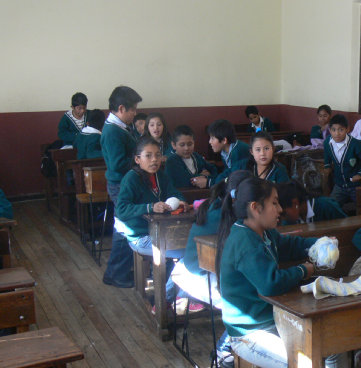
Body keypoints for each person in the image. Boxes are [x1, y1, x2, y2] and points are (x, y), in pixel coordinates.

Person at [217, 177, 347, 368]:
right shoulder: (244, 242)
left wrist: (319, 242)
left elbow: (289, 245)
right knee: (304, 363)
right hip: (250, 333)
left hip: (274, 320)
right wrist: (304, 270)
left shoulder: (264, 231)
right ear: (256, 207)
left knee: (333, 346)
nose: (280, 209)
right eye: (274, 203)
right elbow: (271, 284)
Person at [167, 170, 253, 365]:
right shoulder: (221, 212)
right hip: (198, 272)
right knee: (243, 302)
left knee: (251, 294)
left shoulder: (225, 205)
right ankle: (224, 350)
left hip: (212, 268)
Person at [116, 137, 188, 292]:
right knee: (190, 253)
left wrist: (179, 201)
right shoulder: (131, 178)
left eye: (157, 155)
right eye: (148, 156)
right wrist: (150, 207)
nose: (154, 160)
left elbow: (175, 193)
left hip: (162, 232)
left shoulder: (161, 176)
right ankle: (171, 295)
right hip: (141, 236)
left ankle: (176, 293)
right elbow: (121, 210)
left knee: (192, 246)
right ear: (137, 159)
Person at [101, 85, 142, 288]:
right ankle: (116, 273)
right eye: (132, 109)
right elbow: (117, 164)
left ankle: (119, 270)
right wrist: (139, 160)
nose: (135, 113)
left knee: (125, 227)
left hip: (125, 183)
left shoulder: (120, 127)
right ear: (121, 108)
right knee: (125, 227)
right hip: (120, 184)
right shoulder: (112, 131)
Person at [323, 114, 361, 207]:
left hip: (356, 186)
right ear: (329, 130)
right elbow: (327, 155)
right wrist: (327, 166)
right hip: (339, 186)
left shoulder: (357, 145)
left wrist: (360, 174)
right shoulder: (328, 143)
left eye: (341, 129)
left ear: (347, 129)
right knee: (329, 206)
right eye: (333, 130)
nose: (337, 133)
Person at [276, 180, 346, 225]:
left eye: (283, 213)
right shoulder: (288, 221)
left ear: (295, 203)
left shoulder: (326, 206)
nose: (283, 218)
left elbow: (346, 226)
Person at [208, 119, 251, 184]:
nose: (210, 142)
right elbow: (227, 171)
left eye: (212, 138)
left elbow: (234, 177)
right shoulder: (224, 151)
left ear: (224, 140)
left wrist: (209, 182)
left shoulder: (238, 151)